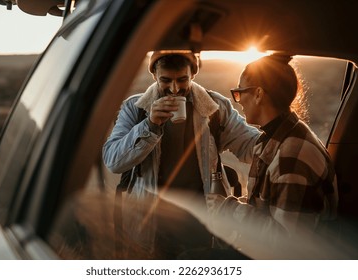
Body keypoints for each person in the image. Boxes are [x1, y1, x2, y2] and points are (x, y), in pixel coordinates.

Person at [102, 50, 260, 259]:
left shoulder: (214, 107)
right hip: (150, 226)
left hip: (202, 224)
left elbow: (251, 146)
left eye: (182, 80)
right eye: (165, 80)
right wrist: (150, 125)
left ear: (193, 74)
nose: (175, 89)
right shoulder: (136, 108)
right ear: (154, 76)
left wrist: (289, 141)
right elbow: (113, 161)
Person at [207, 54, 339, 258]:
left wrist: (230, 209)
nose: (239, 102)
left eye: (240, 93)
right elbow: (270, 208)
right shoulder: (279, 138)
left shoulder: (292, 156)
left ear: (258, 94)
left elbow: (286, 245)